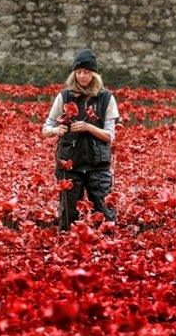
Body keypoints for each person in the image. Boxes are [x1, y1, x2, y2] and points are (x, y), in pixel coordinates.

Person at [42, 48, 119, 231]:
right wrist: (56, 130)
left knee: (104, 214)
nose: (82, 76)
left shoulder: (106, 98)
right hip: (70, 164)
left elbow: (110, 136)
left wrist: (88, 127)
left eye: (86, 72)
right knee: (68, 216)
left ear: (94, 74)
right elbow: (45, 128)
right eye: (78, 72)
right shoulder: (64, 96)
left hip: (97, 164)